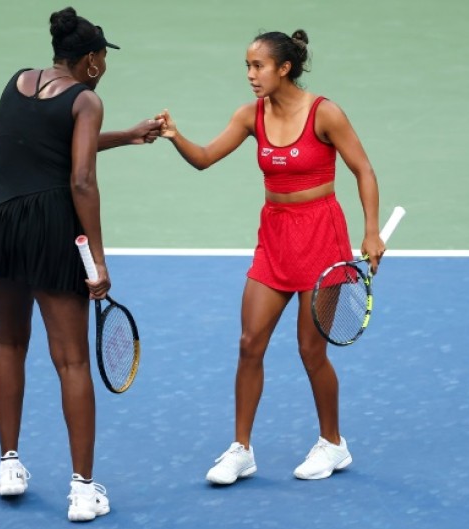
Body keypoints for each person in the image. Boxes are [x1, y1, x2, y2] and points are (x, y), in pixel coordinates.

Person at [0, 6, 161, 522]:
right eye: (103, 59)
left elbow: (43, 147)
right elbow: (81, 180)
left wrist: (128, 135)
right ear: (90, 60)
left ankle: (8, 465)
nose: (104, 67)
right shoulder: (88, 99)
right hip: (47, 231)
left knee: (8, 342)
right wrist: (97, 259)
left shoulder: (17, 81)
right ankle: (83, 490)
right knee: (71, 361)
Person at [156, 29, 386, 485]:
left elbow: (363, 168)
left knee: (310, 350)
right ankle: (241, 450)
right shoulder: (250, 116)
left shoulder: (325, 113)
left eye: (258, 66)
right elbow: (203, 158)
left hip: (321, 238)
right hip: (275, 239)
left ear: (284, 68)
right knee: (249, 344)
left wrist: (372, 230)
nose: (250, 75)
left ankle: (333, 444)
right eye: (247, 66)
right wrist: (174, 135)